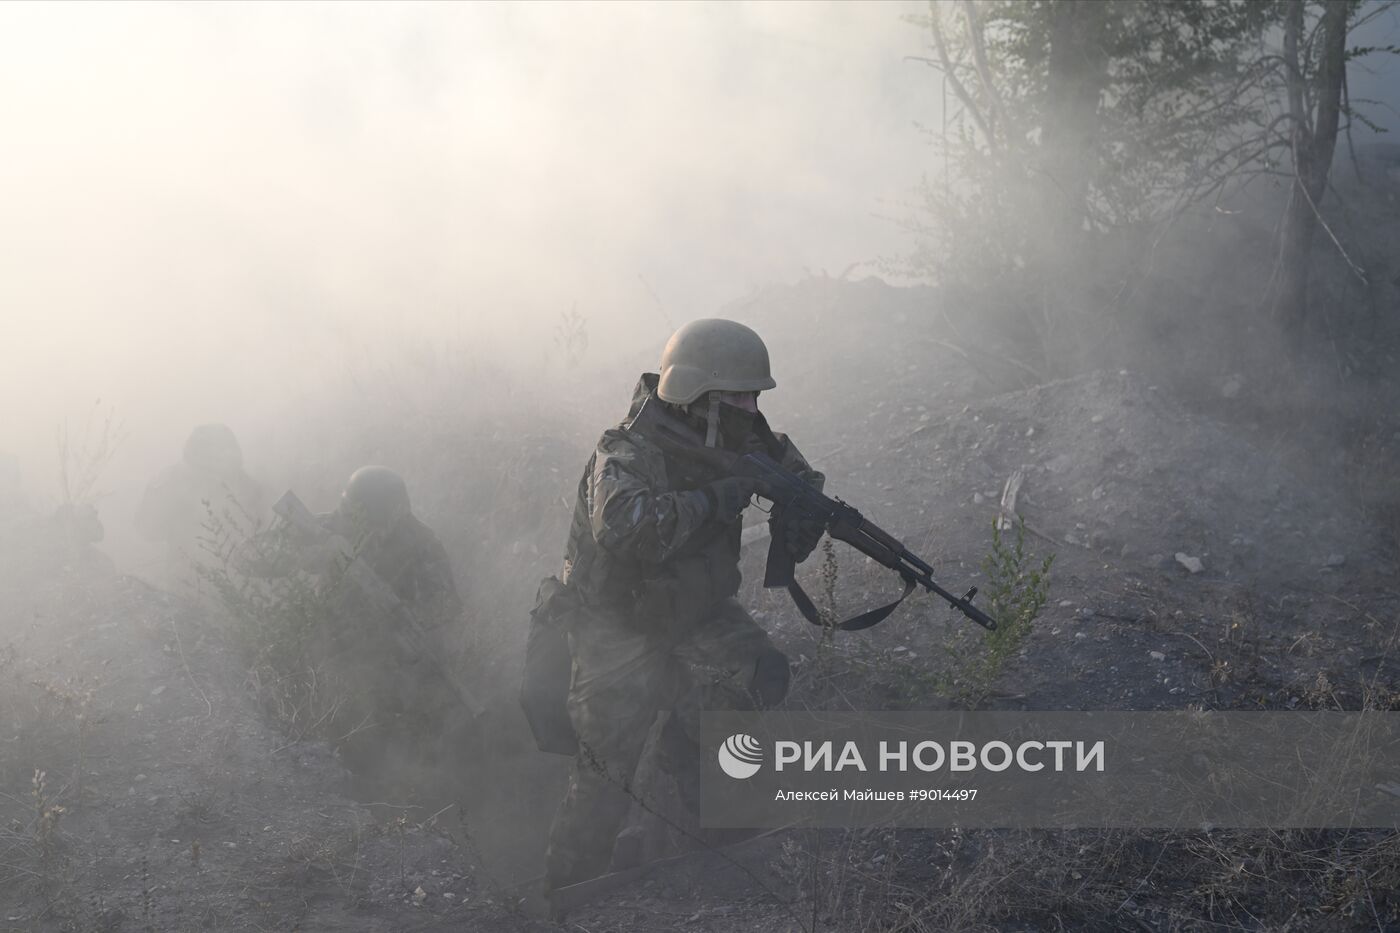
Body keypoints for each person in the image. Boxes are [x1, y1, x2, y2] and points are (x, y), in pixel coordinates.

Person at [541, 318, 825, 892]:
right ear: (699, 397)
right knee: (605, 766)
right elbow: (628, 529)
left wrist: (804, 512)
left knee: (755, 674)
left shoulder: (743, 435)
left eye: (754, 395)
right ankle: (568, 887)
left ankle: (713, 821)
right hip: (615, 623)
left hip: (695, 606)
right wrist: (720, 495)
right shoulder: (624, 449)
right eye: (739, 395)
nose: (752, 406)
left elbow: (800, 476)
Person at [250, 465, 466, 783]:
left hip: (384, 658)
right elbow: (248, 555)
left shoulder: (421, 543)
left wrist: (402, 616)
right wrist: (306, 556)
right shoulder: (333, 526)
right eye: (367, 517)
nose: (379, 528)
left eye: (386, 518)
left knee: (413, 725)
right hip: (322, 647)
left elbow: (447, 604)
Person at [135, 423, 266, 588]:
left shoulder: (246, 484)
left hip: (238, 585)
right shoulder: (172, 480)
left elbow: (265, 531)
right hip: (194, 583)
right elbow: (148, 530)